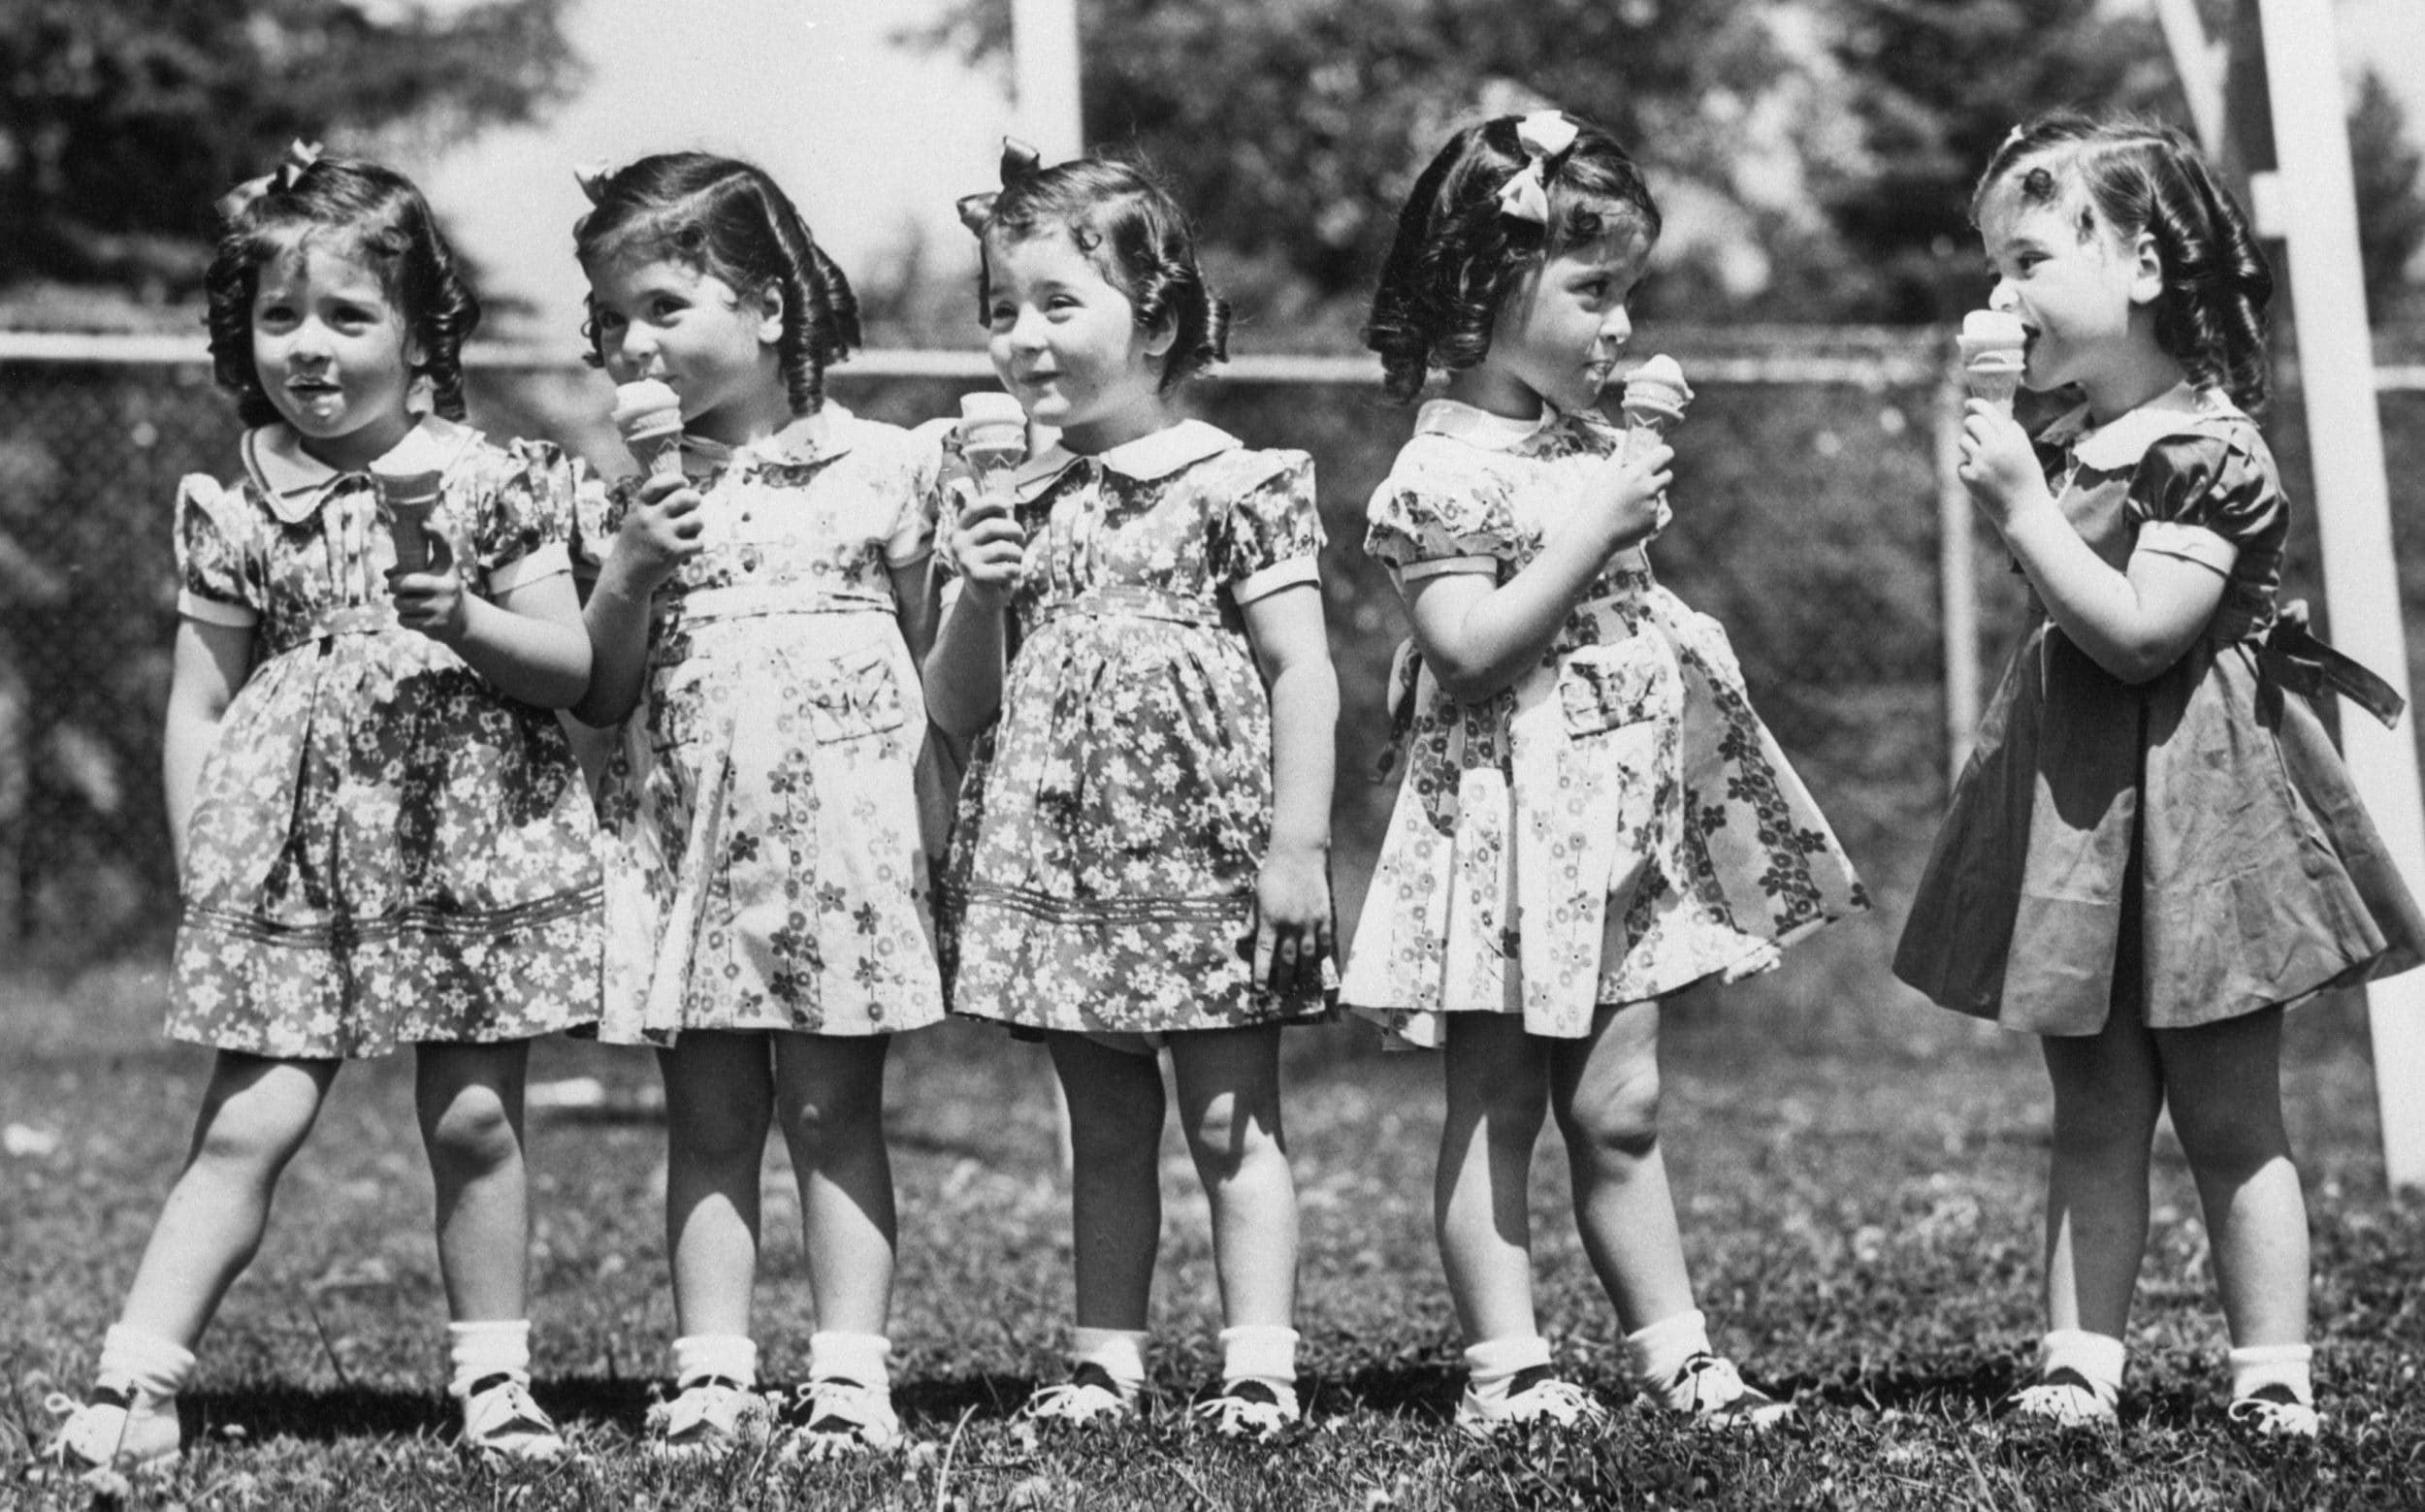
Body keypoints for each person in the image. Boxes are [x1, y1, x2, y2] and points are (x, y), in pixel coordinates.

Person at [44, 145, 600, 1475]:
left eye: (350, 315)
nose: (310, 346)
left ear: (420, 333)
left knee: (475, 1120)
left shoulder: (493, 483)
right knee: (253, 1114)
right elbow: (198, 702)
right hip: (291, 867)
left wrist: (462, 619)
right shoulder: (237, 507)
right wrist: (204, 866)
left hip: (472, 848)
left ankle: (495, 1385)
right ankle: (139, 1380)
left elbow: (572, 667)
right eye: (279, 316)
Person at [1895, 113, 2425, 1441]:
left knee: (2229, 1109)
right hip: (2086, 813)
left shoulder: (2211, 450)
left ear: (2140, 261)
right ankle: (2081, 1358)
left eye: (2025, 262)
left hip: (2204, 819)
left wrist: (2022, 507)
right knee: (2094, 1099)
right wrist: (2023, 471)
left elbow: (2139, 633)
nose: (1999, 297)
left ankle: (2273, 1376)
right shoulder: (2083, 434)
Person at [1338, 111, 1866, 1436]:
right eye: (1593, 290)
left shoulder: (1588, 448)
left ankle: (1676, 1350)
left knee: (1624, 1103)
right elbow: (1465, 652)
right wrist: (1593, 530)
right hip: (1506, 839)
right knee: (1498, 1103)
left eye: (1629, 291)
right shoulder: (1438, 472)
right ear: (1482, 287)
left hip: (1614, 837)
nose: (1621, 323)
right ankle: (1508, 1367)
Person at [927, 144, 1339, 1441]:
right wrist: (978, 590)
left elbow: (1304, 676)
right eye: (1001, 310)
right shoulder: (1007, 500)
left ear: (1154, 318)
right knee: (1101, 1127)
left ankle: (1259, 1365)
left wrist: (1298, 850)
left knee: (1231, 1122)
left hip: (1204, 867)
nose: (1023, 337)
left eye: (1059, 303)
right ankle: (1106, 1359)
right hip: (1065, 874)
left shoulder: (1238, 482)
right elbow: (958, 706)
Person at [568, 152, 947, 1461]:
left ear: (773, 306)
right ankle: (713, 1372)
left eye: (667, 306)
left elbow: (944, 669)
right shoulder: (617, 494)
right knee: (711, 1119)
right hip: (691, 846)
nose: (634, 342)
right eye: (613, 317)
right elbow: (602, 696)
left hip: (842, 849)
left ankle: (850, 1376)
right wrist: (625, 564)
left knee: (838, 1112)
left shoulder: (887, 468)